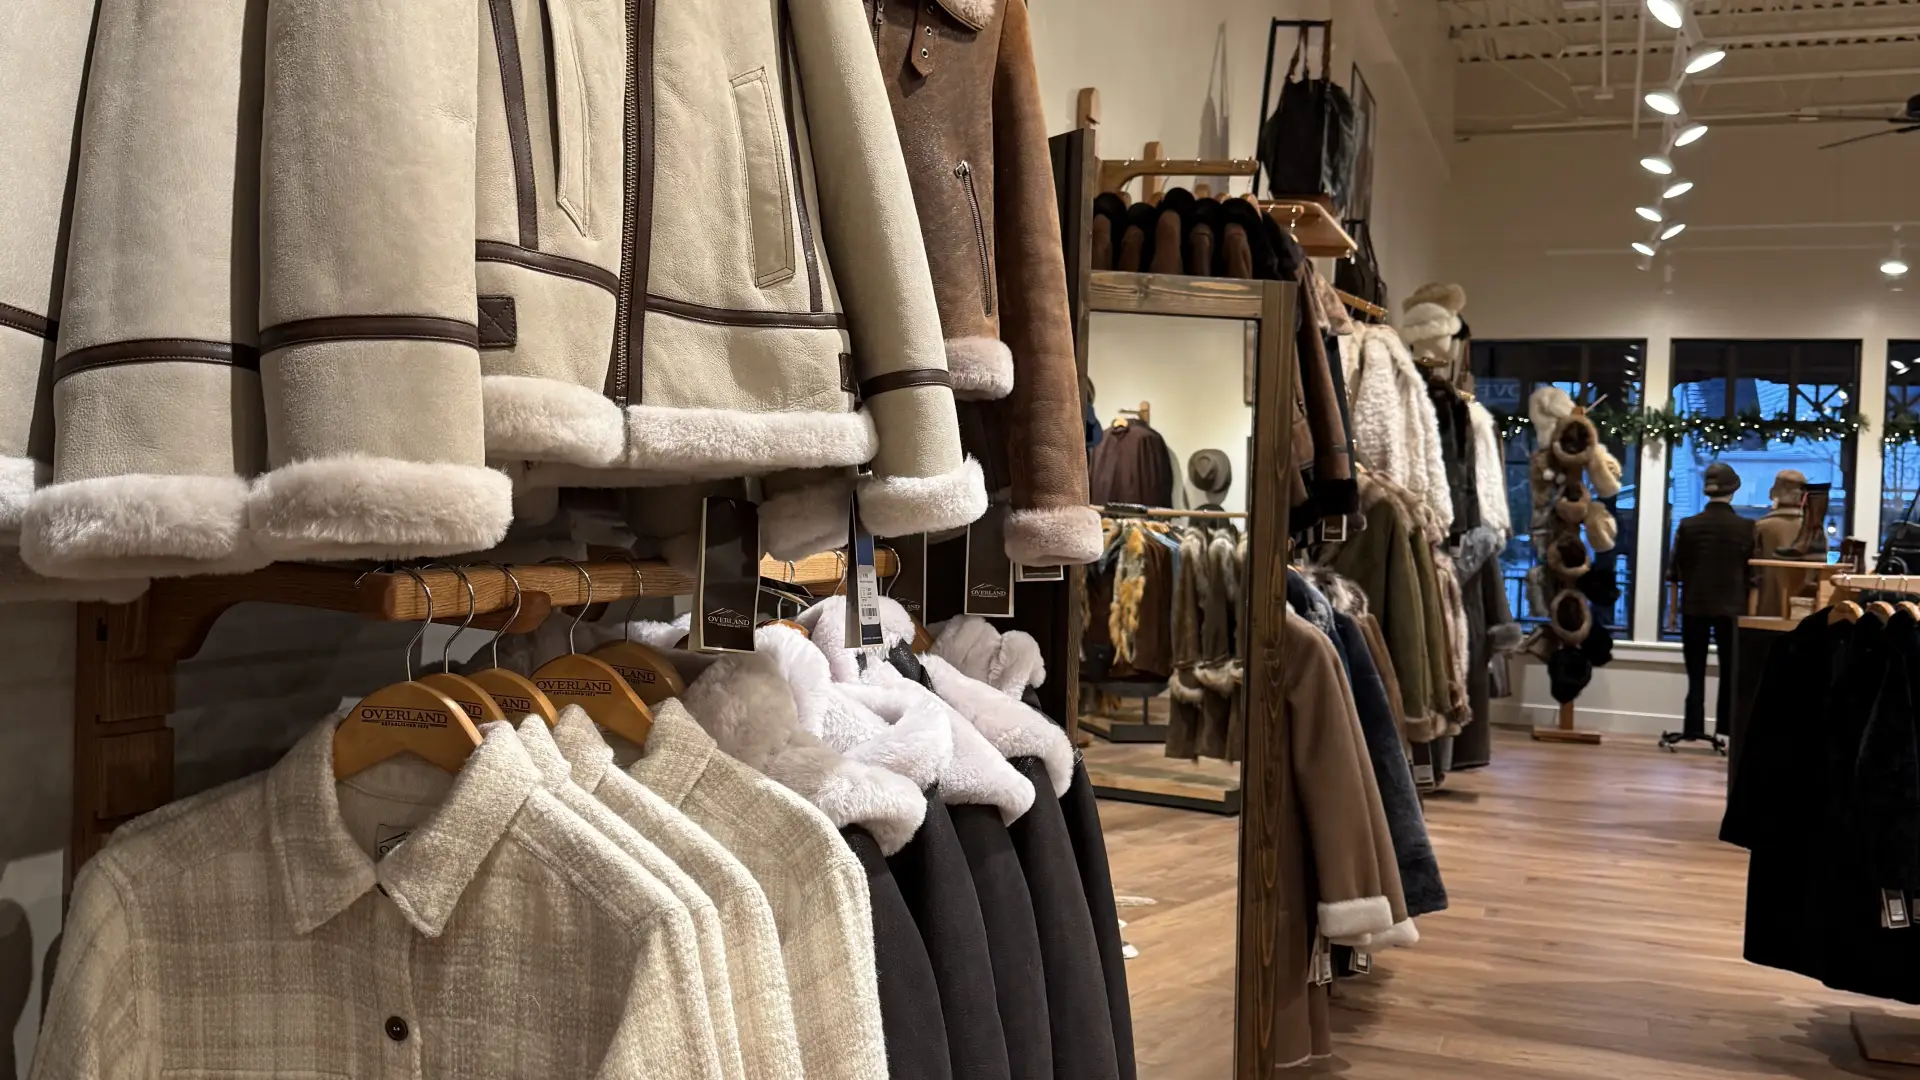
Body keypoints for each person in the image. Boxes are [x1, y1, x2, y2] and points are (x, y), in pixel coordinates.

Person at [1665, 462, 1756, 747]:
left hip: (1694, 606)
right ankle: (1725, 732)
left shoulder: (1688, 526)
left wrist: (1671, 613)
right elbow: (1753, 576)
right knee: (1730, 670)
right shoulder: (1746, 528)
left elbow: (1674, 573)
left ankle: (1692, 727)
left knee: (1695, 671)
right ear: (1734, 490)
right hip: (1732, 609)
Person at [1753, 469, 1824, 617]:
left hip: (1766, 608)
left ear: (1773, 493)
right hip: (1804, 610)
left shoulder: (1761, 527)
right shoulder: (1816, 532)